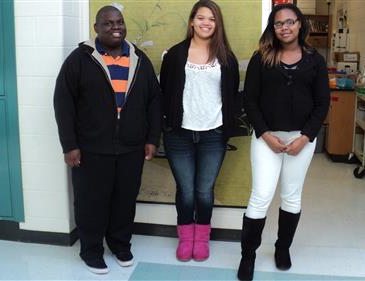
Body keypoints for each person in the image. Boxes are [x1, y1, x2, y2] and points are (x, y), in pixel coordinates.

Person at [53, 6, 161, 274]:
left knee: (124, 200)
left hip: (131, 147)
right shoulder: (79, 59)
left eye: (120, 21)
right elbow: (63, 102)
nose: (116, 27)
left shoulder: (139, 59)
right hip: (91, 148)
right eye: (108, 23)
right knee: (91, 201)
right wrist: (70, 144)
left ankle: (121, 245)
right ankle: (91, 251)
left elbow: (154, 102)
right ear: (96, 28)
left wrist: (151, 138)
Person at [237, 3, 330, 280]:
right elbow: (249, 100)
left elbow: (322, 103)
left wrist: (305, 137)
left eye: (290, 22)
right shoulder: (261, 58)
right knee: (261, 195)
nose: (285, 27)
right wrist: (265, 134)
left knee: (291, 196)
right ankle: (248, 256)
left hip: (301, 139)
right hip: (267, 138)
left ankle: (282, 248)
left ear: (300, 24)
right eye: (279, 23)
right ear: (272, 28)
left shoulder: (315, 59)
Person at [160, 0, 239, 262]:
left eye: (212, 19)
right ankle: (186, 238)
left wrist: (226, 128)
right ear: (192, 21)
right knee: (186, 190)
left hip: (213, 134)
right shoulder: (174, 55)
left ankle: (201, 238)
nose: (206, 23)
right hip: (179, 134)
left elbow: (232, 98)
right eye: (201, 17)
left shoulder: (226, 58)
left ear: (218, 24)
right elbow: (164, 93)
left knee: (204, 191)